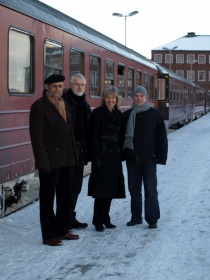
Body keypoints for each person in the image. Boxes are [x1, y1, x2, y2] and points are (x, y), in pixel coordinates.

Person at [29, 74, 80, 246]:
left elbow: (69, 133)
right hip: (50, 162)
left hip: (66, 159)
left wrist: (74, 156)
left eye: (60, 86)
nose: (57, 89)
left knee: (65, 197)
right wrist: (43, 163)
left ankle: (63, 230)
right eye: (54, 86)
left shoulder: (63, 104)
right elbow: (37, 138)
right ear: (47, 87)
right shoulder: (39, 107)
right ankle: (49, 234)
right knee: (47, 200)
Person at [123, 86, 168, 229]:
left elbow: (162, 139)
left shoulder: (155, 115)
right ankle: (136, 217)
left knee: (150, 190)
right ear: (133, 98)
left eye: (142, 96)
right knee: (134, 190)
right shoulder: (127, 115)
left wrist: (161, 158)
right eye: (136, 96)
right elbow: (120, 138)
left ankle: (152, 218)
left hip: (149, 159)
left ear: (146, 97)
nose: (139, 98)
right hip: (132, 159)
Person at [88, 86, 125, 231]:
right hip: (102, 154)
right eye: (108, 98)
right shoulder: (97, 113)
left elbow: (121, 135)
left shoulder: (118, 114)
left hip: (114, 154)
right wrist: (96, 156)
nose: (110, 100)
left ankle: (106, 218)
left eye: (113, 98)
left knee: (110, 189)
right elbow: (93, 136)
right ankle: (98, 220)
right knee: (101, 190)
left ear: (116, 100)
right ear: (104, 99)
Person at [63, 73, 91, 229]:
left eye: (82, 84)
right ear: (71, 85)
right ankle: (63, 219)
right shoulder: (65, 102)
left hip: (79, 154)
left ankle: (70, 217)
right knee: (66, 188)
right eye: (76, 84)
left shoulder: (84, 104)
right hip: (67, 154)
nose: (79, 87)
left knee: (76, 188)